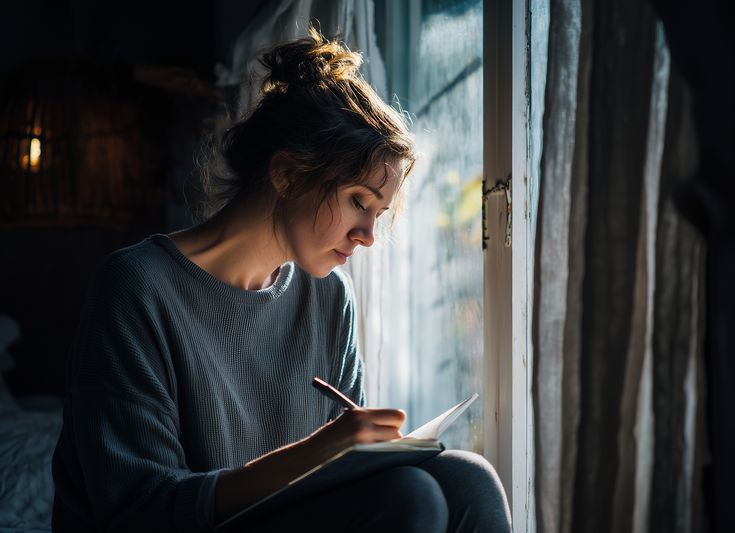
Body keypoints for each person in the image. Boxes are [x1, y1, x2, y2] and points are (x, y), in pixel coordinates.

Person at [51, 27, 512, 533]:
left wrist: (355, 451)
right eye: (359, 201)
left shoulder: (328, 295)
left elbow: (341, 482)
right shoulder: (135, 289)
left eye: (379, 213)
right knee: (410, 496)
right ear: (288, 175)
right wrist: (319, 451)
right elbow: (140, 512)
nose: (367, 236)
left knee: (470, 478)